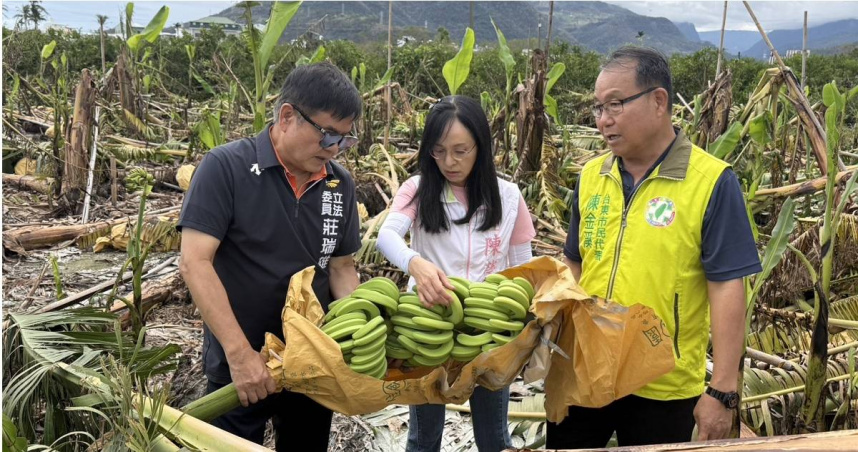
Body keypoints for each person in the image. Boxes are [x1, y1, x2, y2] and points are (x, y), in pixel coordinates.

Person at [551, 46, 762, 448]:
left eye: (615, 104)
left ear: (659, 101)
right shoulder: (592, 176)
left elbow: (727, 287)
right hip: (584, 370)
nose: (603, 120)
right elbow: (574, 263)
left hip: (663, 384)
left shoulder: (711, 182)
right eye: (598, 108)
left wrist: (722, 391)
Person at [178, 62, 363, 450]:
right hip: (241, 366)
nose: (334, 150)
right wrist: (240, 355)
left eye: (344, 140)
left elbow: (343, 268)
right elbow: (195, 262)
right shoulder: (225, 168)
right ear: (287, 116)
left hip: (313, 362)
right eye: (327, 135)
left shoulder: (339, 184)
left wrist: (357, 336)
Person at [376, 95, 536, 452]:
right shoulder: (419, 189)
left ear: (481, 145)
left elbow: (524, 265)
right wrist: (414, 262)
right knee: (423, 437)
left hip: (488, 331)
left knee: (494, 436)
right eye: (439, 150)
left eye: (461, 150)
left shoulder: (508, 196)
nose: (449, 162)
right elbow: (387, 235)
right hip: (428, 329)